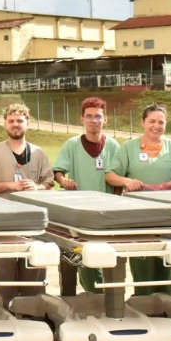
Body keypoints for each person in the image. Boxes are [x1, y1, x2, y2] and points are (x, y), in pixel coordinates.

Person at [106, 102, 171, 295]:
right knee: (143, 265)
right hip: (139, 218)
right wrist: (126, 181)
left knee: (166, 264)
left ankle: (166, 304)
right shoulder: (129, 147)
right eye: (152, 121)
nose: (156, 126)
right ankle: (143, 302)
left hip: (167, 218)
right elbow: (110, 175)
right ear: (142, 122)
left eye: (161, 122)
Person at [0, 103, 56, 307]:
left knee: (34, 272)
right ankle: (7, 312)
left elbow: (48, 181)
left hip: (33, 223)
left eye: (20, 121)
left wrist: (37, 187)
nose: (15, 124)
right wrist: (9, 185)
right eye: (11, 121)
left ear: (27, 124)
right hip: (4, 222)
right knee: (6, 274)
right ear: (5, 123)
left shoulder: (38, 153)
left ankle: (33, 312)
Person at [52, 97, 121, 295]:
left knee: (107, 258)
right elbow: (58, 172)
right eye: (89, 116)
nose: (93, 120)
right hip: (79, 214)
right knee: (83, 258)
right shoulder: (72, 145)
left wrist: (117, 201)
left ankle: (109, 297)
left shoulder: (113, 146)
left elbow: (119, 177)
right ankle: (91, 296)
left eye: (98, 116)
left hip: (106, 214)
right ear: (81, 119)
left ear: (105, 119)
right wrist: (64, 181)